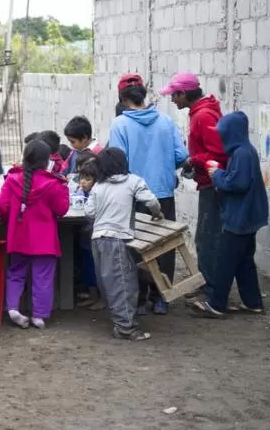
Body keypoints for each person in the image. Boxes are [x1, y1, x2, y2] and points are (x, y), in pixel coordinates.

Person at [108, 74, 189, 314]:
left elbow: (117, 162)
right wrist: (163, 167)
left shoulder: (120, 125)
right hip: (163, 192)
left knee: (134, 245)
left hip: (132, 194)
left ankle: (139, 298)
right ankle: (162, 296)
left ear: (122, 98)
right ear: (144, 95)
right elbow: (181, 155)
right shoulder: (165, 121)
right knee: (163, 243)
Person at [192, 111, 268, 318]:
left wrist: (217, 175)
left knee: (224, 262)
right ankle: (253, 303)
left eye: (223, 133)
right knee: (244, 262)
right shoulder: (244, 151)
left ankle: (216, 304)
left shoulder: (242, 154)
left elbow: (238, 183)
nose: (221, 137)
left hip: (240, 217)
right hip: (247, 217)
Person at [82, 148, 163, 341]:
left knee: (109, 284)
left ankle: (123, 322)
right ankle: (126, 328)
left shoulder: (98, 186)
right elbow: (150, 200)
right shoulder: (133, 181)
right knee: (124, 284)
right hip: (117, 239)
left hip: (98, 239)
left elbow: (89, 213)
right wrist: (157, 213)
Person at [159, 71, 228, 297]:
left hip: (213, 183)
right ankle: (209, 284)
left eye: (174, 95)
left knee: (207, 238)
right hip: (208, 181)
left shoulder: (203, 116)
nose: (172, 100)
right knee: (207, 237)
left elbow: (218, 153)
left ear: (183, 93)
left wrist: (193, 160)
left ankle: (212, 289)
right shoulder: (200, 112)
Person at [0, 140, 69, 329]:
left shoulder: (11, 180)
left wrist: (11, 220)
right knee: (43, 276)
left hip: (18, 235)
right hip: (44, 240)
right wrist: (65, 188)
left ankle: (13, 307)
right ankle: (39, 316)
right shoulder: (53, 183)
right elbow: (61, 209)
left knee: (15, 273)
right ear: (46, 161)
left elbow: (2, 207)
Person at [74, 153, 103, 310]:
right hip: (85, 237)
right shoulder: (82, 192)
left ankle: (100, 298)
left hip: (94, 236)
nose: (83, 182)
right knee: (87, 267)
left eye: (88, 179)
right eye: (81, 178)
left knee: (95, 268)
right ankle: (92, 296)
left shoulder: (97, 194)